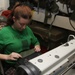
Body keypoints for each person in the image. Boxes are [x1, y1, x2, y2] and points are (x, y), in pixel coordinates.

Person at [0, 3, 41, 74]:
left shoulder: (27, 29)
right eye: (21, 24)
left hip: (26, 61)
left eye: (26, 24)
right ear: (14, 19)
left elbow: (36, 42)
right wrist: (7, 57)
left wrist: (37, 46)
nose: (24, 27)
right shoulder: (4, 32)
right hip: (11, 66)